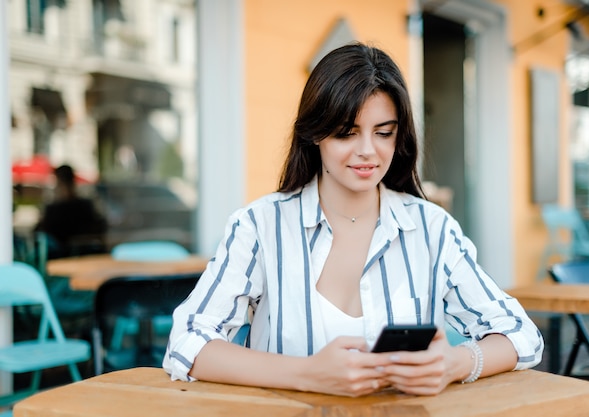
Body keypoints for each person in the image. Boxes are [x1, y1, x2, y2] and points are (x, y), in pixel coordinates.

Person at [164, 42, 544, 396]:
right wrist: (307, 374)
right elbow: (187, 342)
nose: (367, 152)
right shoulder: (260, 226)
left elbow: (520, 333)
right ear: (316, 134)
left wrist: (456, 363)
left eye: (383, 133)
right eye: (346, 133)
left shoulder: (432, 229)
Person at [35, 164, 107, 259]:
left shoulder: (55, 209)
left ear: (60, 183)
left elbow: (41, 231)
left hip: (64, 258)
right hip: (86, 257)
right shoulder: (85, 205)